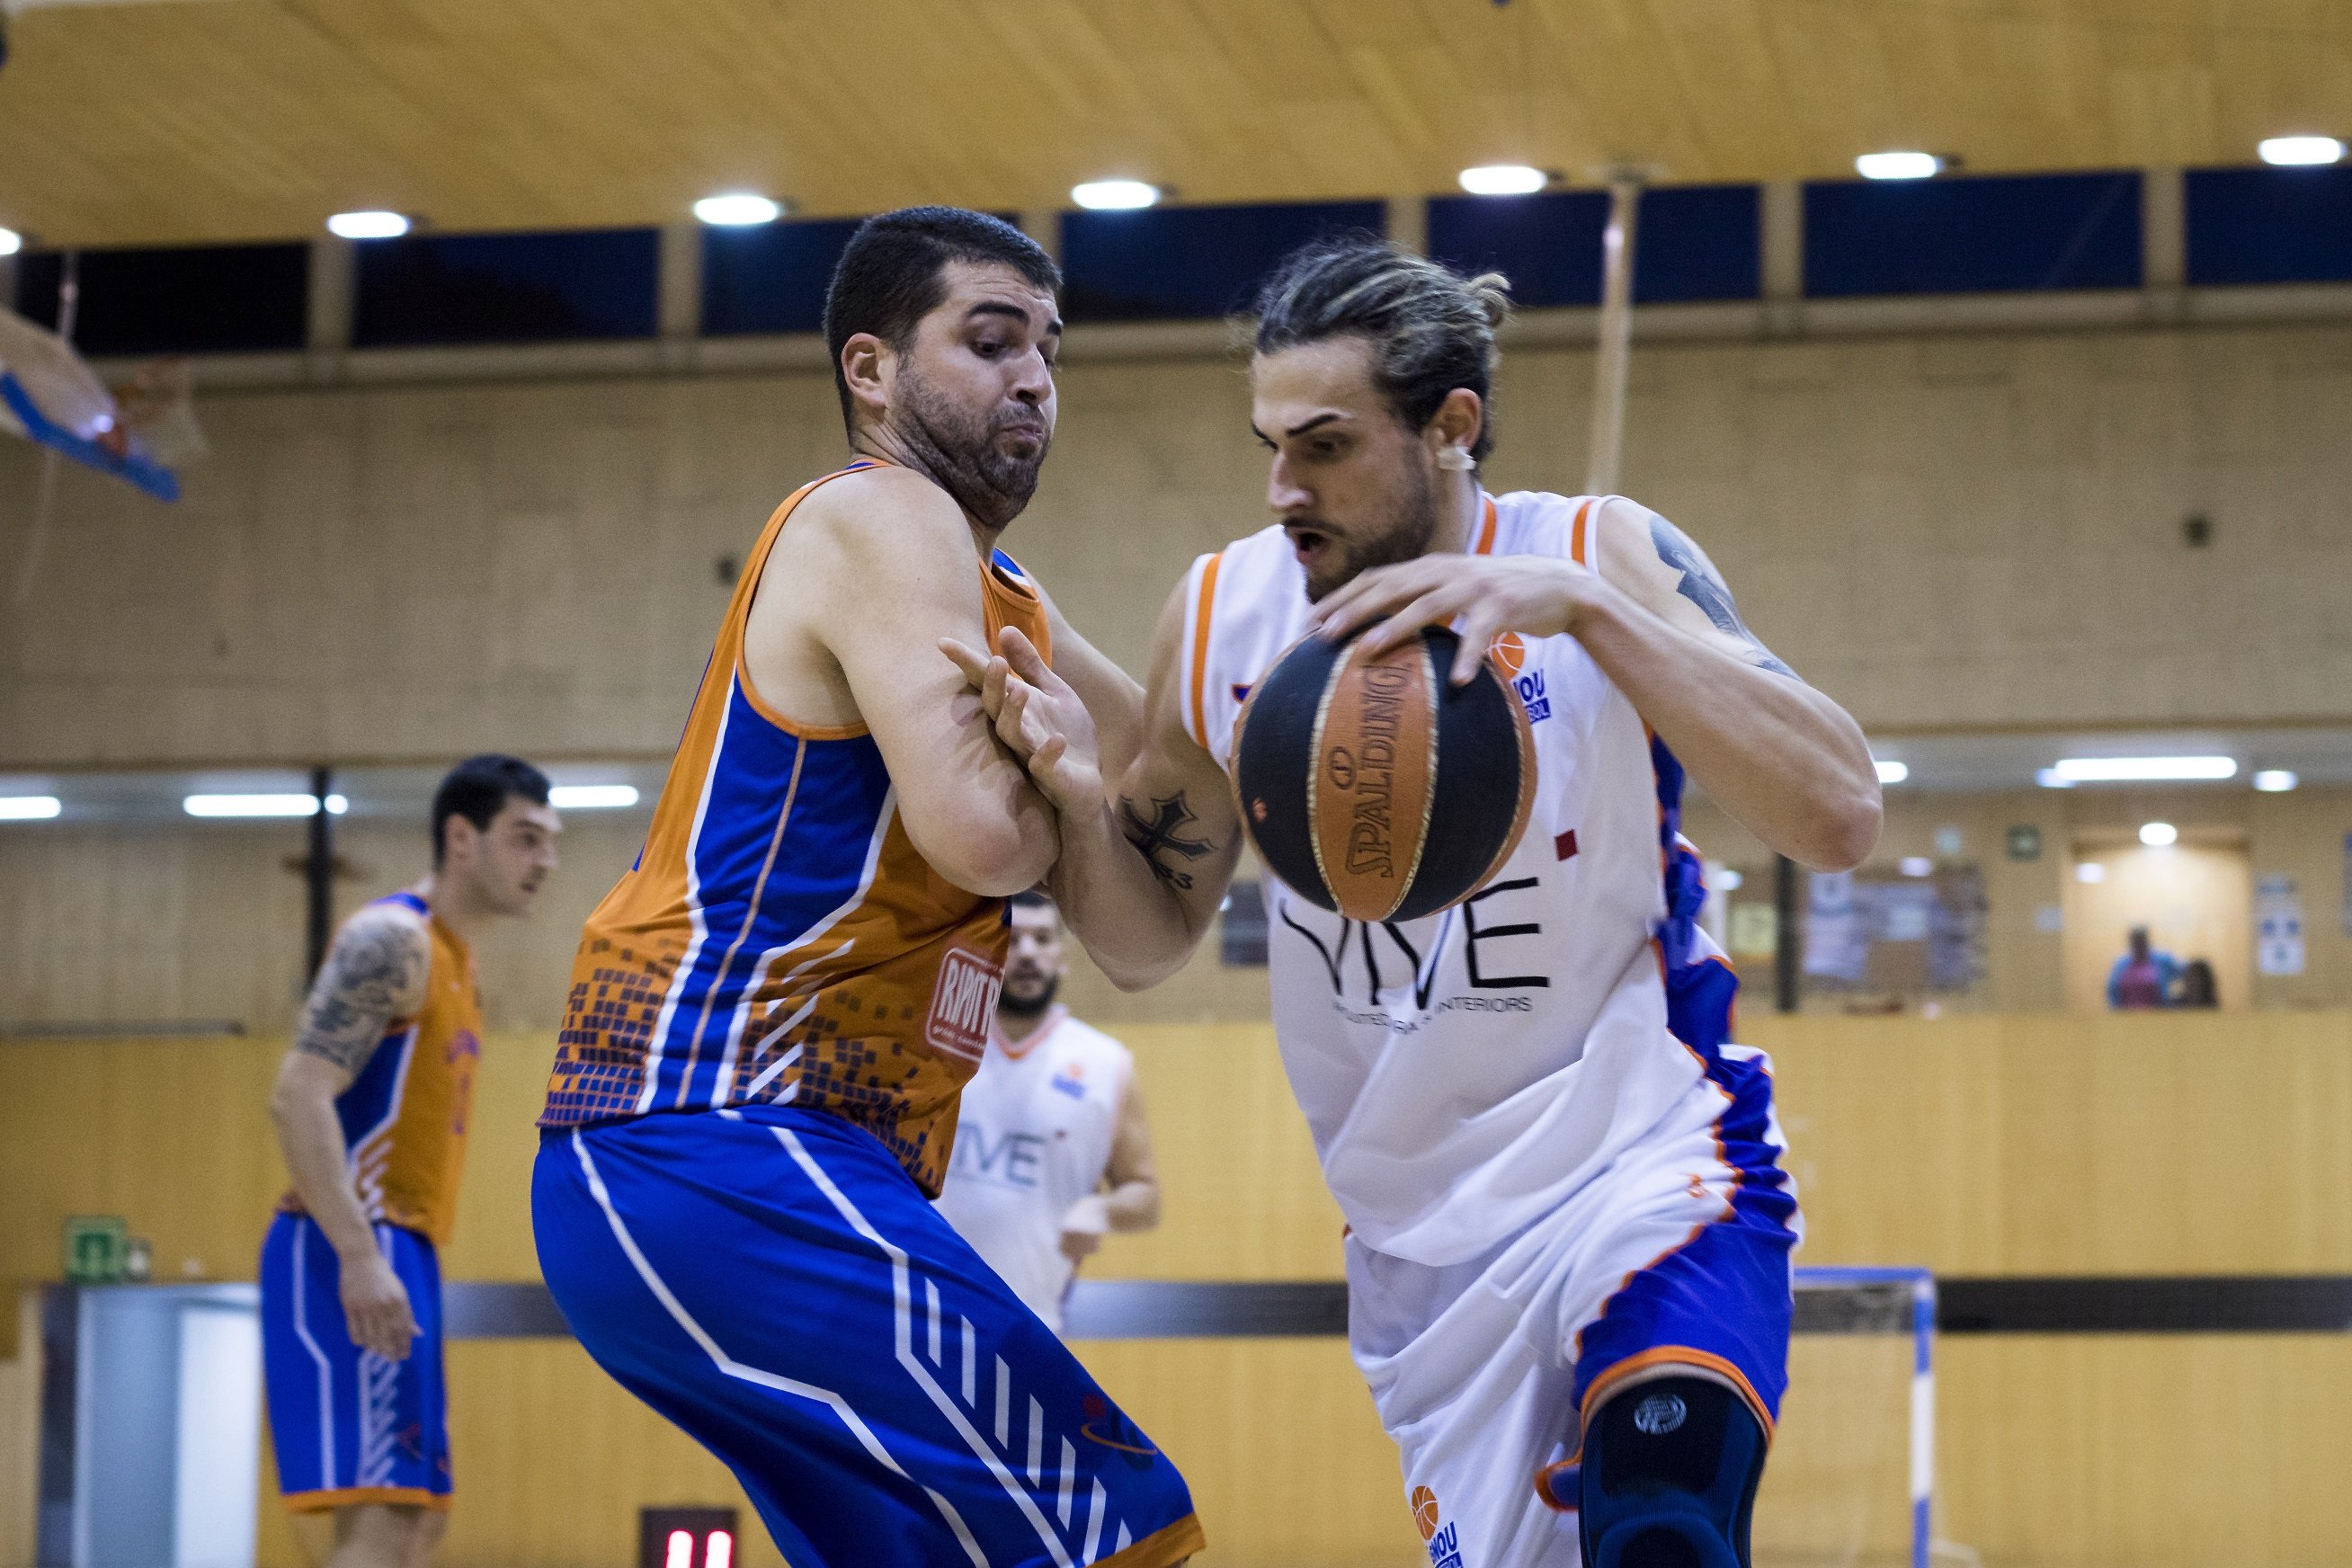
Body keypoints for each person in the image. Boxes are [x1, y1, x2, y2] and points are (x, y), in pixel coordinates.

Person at [954, 236, 1882, 1568]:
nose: (1283, 488)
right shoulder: (1223, 610)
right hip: (1422, 1239)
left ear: (1452, 427)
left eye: (1324, 447)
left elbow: (1840, 814)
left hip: (1645, 1155)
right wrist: (1070, 803)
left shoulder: (1597, 553)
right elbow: (1145, 938)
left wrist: (1595, 617)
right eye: (1270, 445)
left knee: (1663, 1522)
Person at [531, 208, 1201, 1568]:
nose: (1035, 380)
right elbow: (993, 845)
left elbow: (1162, 892)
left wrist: (1261, 682)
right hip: (714, 1130)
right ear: (872, 371)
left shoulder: (1001, 587)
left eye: (1050, 351)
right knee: (1116, 1530)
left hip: (760, 1164)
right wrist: (1081, 805)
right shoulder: (881, 513)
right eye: (991, 340)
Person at [261, 755, 560, 1564]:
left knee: (419, 1522)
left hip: (404, 1248)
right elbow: (297, 1095)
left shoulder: (461, 962)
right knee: (385, 1523)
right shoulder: (392, 941)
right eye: (525, 839)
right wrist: (358, 1254)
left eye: (550, 842)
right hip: (350, 1244)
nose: (547, 862)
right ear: (462, 838)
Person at [933, 890, 1163, 1335]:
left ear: (1063, 956)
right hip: (913, 1307)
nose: (1027, 954)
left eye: (1042, 939)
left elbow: (1144, 1195)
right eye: (1013, 939)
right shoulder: (939, 1042)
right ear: (987, 951)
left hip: (1029, 1327)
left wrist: (1101, 1211)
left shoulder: (1105, 1064)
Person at [2107, 926, 2181, 1009]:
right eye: (2136, 941)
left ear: (2146, 941)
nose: (2139, 944)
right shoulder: (2121, 964)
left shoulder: (2163, 960)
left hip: (2158, 1016)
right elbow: (2112, 991)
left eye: (2141, 941)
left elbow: (2186, 972)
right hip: (2125, 1017)